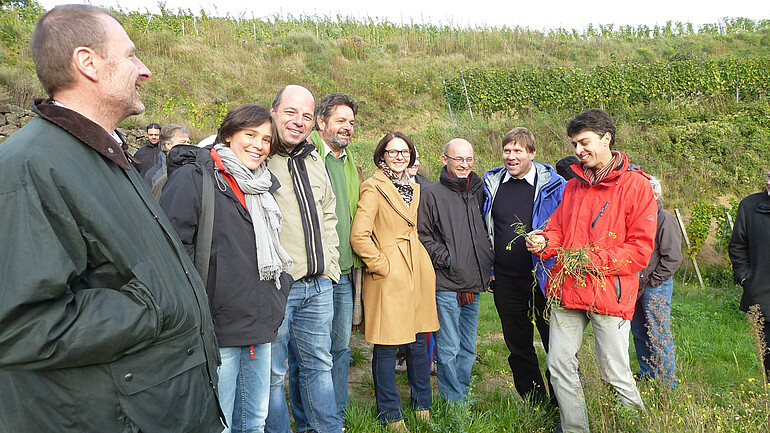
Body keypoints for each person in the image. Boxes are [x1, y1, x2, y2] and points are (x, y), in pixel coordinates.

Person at [0, 5, 222, 432]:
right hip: (113, 416)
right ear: (88, 63)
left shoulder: (105, 155)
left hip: (160, 407)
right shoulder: (28, 167)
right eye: (131, 55)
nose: (146, 70)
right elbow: (20, 323)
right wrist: (156, 307)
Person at [160, 104, 293, 433]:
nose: (258, 145)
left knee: (254, 423)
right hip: (216, 328)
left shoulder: (262, 186)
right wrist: (196, 309)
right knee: (218, 424)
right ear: (229, 134)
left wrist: (280, 289)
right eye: (250, 135)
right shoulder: (197, 178)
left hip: (258, 327)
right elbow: (171, 251)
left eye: (266, 139)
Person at [527, 109, 656, 432]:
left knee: (614, 373)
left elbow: (640, 251)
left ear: (606, 138)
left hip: (608, 294)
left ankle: (633, 427)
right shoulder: (573, 186)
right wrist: (544, 240)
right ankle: (575, 428)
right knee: (558, 365)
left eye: (584, 142)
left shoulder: (636, 187)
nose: (578, 151)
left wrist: (590, 260)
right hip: (567, 289)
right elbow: (557, 228)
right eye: (574, 144)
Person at [264, 85, 342, 433]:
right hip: (276, 287)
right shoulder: (258, 152)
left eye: (307, 116)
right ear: (274, 111)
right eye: (290, 112)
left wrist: (331, 268)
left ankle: (324, 429)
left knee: (318, 367)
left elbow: (329, 212)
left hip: (319, 286)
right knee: (272, 374)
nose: (298, 122)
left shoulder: (313, 157)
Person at [351, 132, 439, 430]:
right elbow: (359, 235)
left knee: (417, 341)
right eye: (393, 152)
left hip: (416, 269)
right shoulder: (373, 188)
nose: (400, 157)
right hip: (389, 276)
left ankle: (422, 404)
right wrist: (382, 266)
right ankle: (390, 412)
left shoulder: (413, 188)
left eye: (405, 152)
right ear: (381, 156)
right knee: (387, 347)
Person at [482, 127, 565, 406]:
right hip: (506, 279)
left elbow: (566, 227)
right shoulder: (492, 186)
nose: (511, 156)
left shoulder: (554, 187)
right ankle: (534, 401)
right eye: (507, 150)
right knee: (518, 344)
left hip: (545, 278)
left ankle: (561, 400)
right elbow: (489, 231)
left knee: (556, 342)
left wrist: (546, 242)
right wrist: (491, 271)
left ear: (532, 153)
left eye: (518, 151)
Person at [418, 138, 493, 403]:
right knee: (448, 347)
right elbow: (422, 235)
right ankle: (453, 401)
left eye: (469, 159)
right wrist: (449, 259)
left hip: (474, 283)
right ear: (444, 159)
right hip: (447, 284)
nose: (464, 164)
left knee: (468, 348)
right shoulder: (431, 193)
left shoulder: (480, 191)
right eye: (458, 159)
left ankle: (461, 392)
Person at [307, 92, 363, 424]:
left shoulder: (348, 162)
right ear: (322, 122)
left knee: (340, 349)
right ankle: (308, 420)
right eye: (340, 120)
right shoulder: (307, 155)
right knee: (311, 356)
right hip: (315, 273)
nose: (347, 128)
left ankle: (335, 416)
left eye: (351, 122)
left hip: (343, 272)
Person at [631, 176, 682, 388]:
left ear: (656, 195)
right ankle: (647, 371)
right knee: (639, 330)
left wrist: (653, 281)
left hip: (655, 286)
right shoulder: (636, 218)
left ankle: (668, 381)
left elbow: (673, 258)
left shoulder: (664, 218)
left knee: (659, 332)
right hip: (636, 284)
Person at [729, 169, 770, 380]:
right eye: (769, 177)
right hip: (762, 294)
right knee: (768, 353)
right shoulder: (750, 206)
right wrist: (746, 278)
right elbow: (737, 246)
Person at [144, 123, 191, 189]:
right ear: (168, 145)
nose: (187, 146)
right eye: (183, 142)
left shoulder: (195, 169)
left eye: (188, 142)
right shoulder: (154, 175)